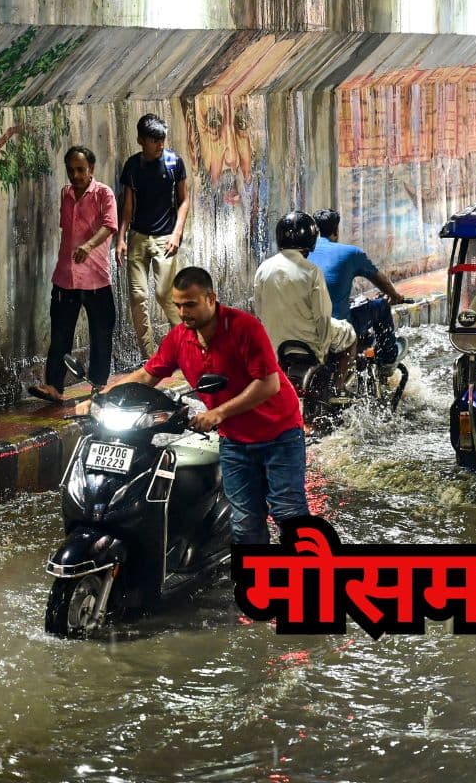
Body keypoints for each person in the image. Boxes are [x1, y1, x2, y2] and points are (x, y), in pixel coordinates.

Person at [86, 267, 309, 544]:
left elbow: (268, 384)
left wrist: (217, 413)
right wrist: (101, 398)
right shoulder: (180, 338)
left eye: (190, 304)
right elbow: (147, 375)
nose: (183, 312)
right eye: (178, 305)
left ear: (210, 298)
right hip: (235, 440)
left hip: (279, 434)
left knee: (288, 512)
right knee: (244, 523)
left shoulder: (245, 327)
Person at [28, 146, 119, 404]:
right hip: (65, 277)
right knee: (60, 334)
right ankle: (54, 386)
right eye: (71, 170)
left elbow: (109, 225)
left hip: (96, 278)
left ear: (91, 169)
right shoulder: (66, 194)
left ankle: (99, 386)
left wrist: (89, 246)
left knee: (100, 335)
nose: (75, 175)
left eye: (80, 170)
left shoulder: (104, 194)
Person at [254, 211, 358, 392]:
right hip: (309, 344)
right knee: (349, 334)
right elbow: (323, 317)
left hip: (276, 346)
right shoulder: (311, 271)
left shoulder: (263, 269)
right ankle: (338, 389)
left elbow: (259, 311)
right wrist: (322, 353)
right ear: (310, 240)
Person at [117, 113, 191, 360]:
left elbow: (184, 200)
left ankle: (185, 343)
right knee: (138, 297)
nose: (160, 145)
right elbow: (127, 205)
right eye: (154, 140)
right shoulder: (133, 166)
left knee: (163, 293)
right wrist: (121, 237)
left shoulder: (173, 162)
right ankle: (149, 356)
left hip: (165, 238)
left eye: (162, 139)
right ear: (141, 140)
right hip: (138, 236)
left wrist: (177, 233)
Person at [309, 208, 405, 376]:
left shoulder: (304, 253)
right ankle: (387, 359)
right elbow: (380, 280)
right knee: (381, 306)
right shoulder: (351, 253)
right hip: (338, 327)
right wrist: (395, 296)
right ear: (336, 230)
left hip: (309, 328)